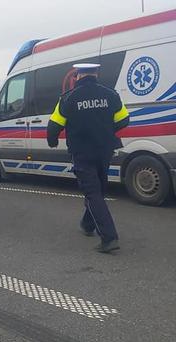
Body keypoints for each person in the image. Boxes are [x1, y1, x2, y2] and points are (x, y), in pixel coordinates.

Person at [47, 63, 129, 253]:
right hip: (105, 150)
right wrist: (106, 131)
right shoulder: (111, 95)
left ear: (77, 76)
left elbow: (53, 126)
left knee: (92, 192)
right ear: (96, 74)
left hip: (82, 152)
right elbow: (124, 119)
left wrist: (53, 142)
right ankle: (87, 224)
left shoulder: (68, 98)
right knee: (97, 189)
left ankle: (109, 238)